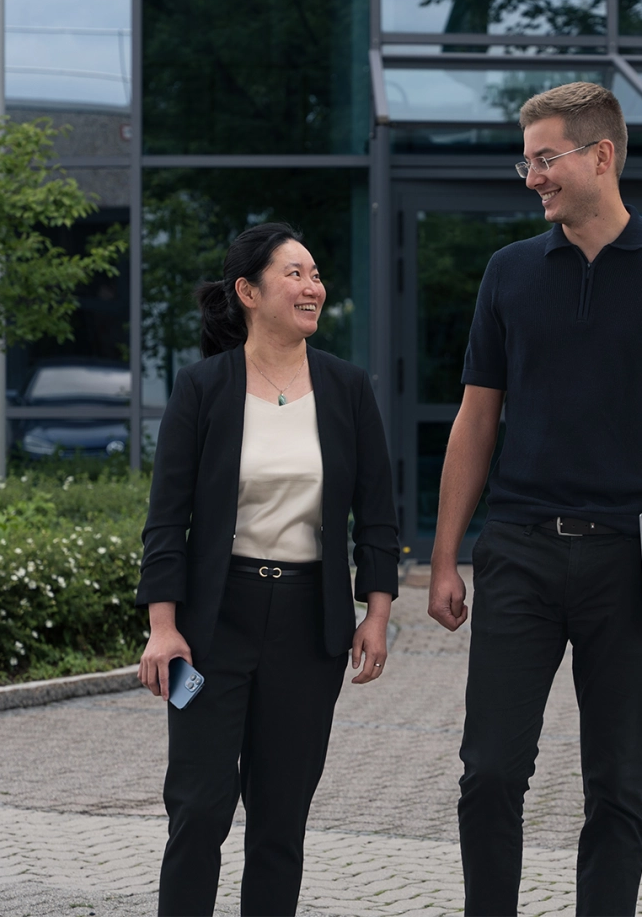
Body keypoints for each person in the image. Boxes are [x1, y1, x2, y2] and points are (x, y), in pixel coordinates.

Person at [428, 82, 642, 915]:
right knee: (490, 771)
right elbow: (475, 422)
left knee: (617, 782)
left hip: (630, 559)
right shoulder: (510, 272)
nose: (532, 177)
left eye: (545, 158)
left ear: (601, 155)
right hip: (518, 548)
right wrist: (445, 556)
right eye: (525, 162)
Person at [136, 222, 401, 917]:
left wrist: (376, 614)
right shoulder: (202, 388)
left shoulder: (347, 388)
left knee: (281, 819)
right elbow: (166, 519)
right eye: (295, 274)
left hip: (310, 629)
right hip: (208, 628)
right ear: (249, 292)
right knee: (198, 807)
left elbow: (377, 514)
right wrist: (163, 627)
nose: (313, 287)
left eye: (315, 274)